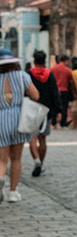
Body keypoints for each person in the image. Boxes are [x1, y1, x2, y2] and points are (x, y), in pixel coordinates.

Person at [0, 49, 40, 203]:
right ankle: (13, 193)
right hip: (19, 117)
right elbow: (35, 95)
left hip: (1, 118)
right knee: (16, 158)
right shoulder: (22, 75)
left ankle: (1, 178)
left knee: (2, 160)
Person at [28, 50, 61, 177]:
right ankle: (40, 164)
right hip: (47, 110)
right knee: (43, 138)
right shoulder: (50, 75)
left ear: (34, 61)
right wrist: (59, 110)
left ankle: (36, 160)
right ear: (45, 61)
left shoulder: (29, 74)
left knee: (32, 137)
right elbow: (55, 93)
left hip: (32, 109)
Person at [51, 54, 76, 127]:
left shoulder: (53, 69)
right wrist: (74, 92)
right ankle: (63, 122)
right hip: (64, 90)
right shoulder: (68, 70)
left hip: (55, 90)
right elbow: (71, 83)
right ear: (66, 61)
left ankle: (53, 121)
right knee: (64, 107)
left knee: (55, 106)